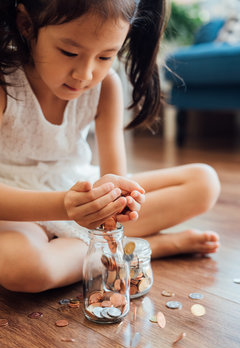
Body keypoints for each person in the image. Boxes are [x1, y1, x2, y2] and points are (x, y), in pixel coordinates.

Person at [0, 0, 220, 293]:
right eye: (69, 52)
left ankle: (94, 249)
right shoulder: (5, 84)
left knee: (203, 182)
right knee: (23, 268)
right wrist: (65, 207)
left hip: (80, 193)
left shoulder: (107, 87)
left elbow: (117, 181)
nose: (85, 74)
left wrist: (116, 203)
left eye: (105, 57)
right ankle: (146, 246)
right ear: (26, 24)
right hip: (18, 206)